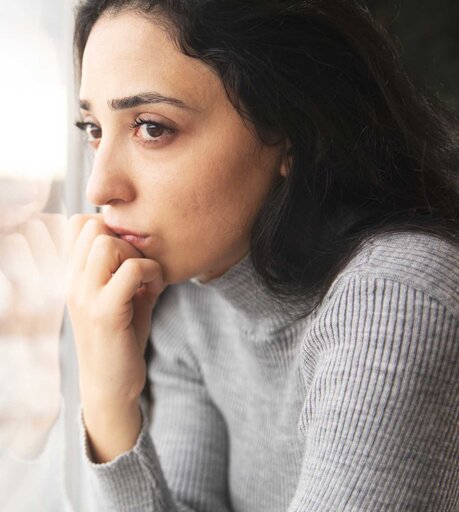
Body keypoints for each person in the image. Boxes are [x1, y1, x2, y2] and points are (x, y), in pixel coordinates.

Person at [66, 0, 459, 510]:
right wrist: (107, 399)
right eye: (95, 130)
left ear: (293, 135)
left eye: (152, 127)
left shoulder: (397, 300)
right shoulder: (192, 301)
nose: (101, 184)